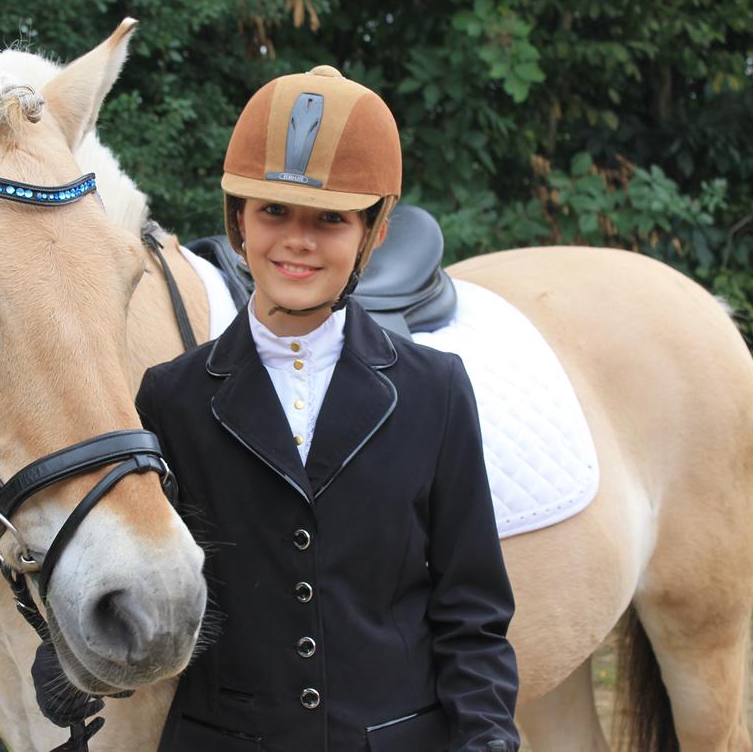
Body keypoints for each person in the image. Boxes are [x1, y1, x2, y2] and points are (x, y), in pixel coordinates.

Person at [139, 65, 520, 751]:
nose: (298, 241)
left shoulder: (435, 391)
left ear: (374, 233)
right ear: (238, 219)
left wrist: (487, 738)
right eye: (274, 212)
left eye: (330, 220)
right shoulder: (171, 398)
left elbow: (472, 609)